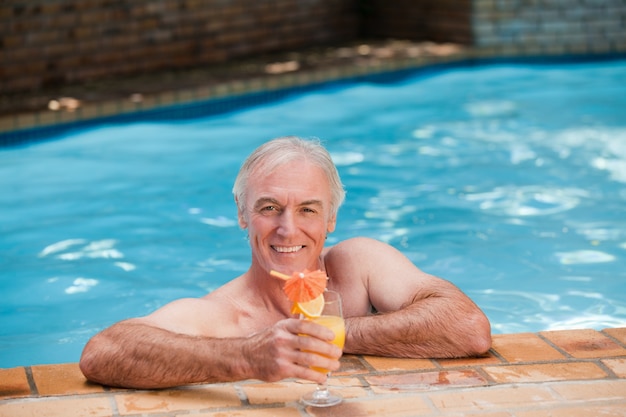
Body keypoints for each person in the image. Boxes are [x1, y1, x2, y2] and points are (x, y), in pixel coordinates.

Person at [79, 136, 491, 389]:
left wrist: (330, 334)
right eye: (270, 207)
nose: (288, 229)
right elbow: (104, 352)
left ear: (331, 218)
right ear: (242, 214)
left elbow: (468, 328)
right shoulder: (222, 315)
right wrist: (246, 357)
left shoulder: (357, 266)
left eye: (309, 210)